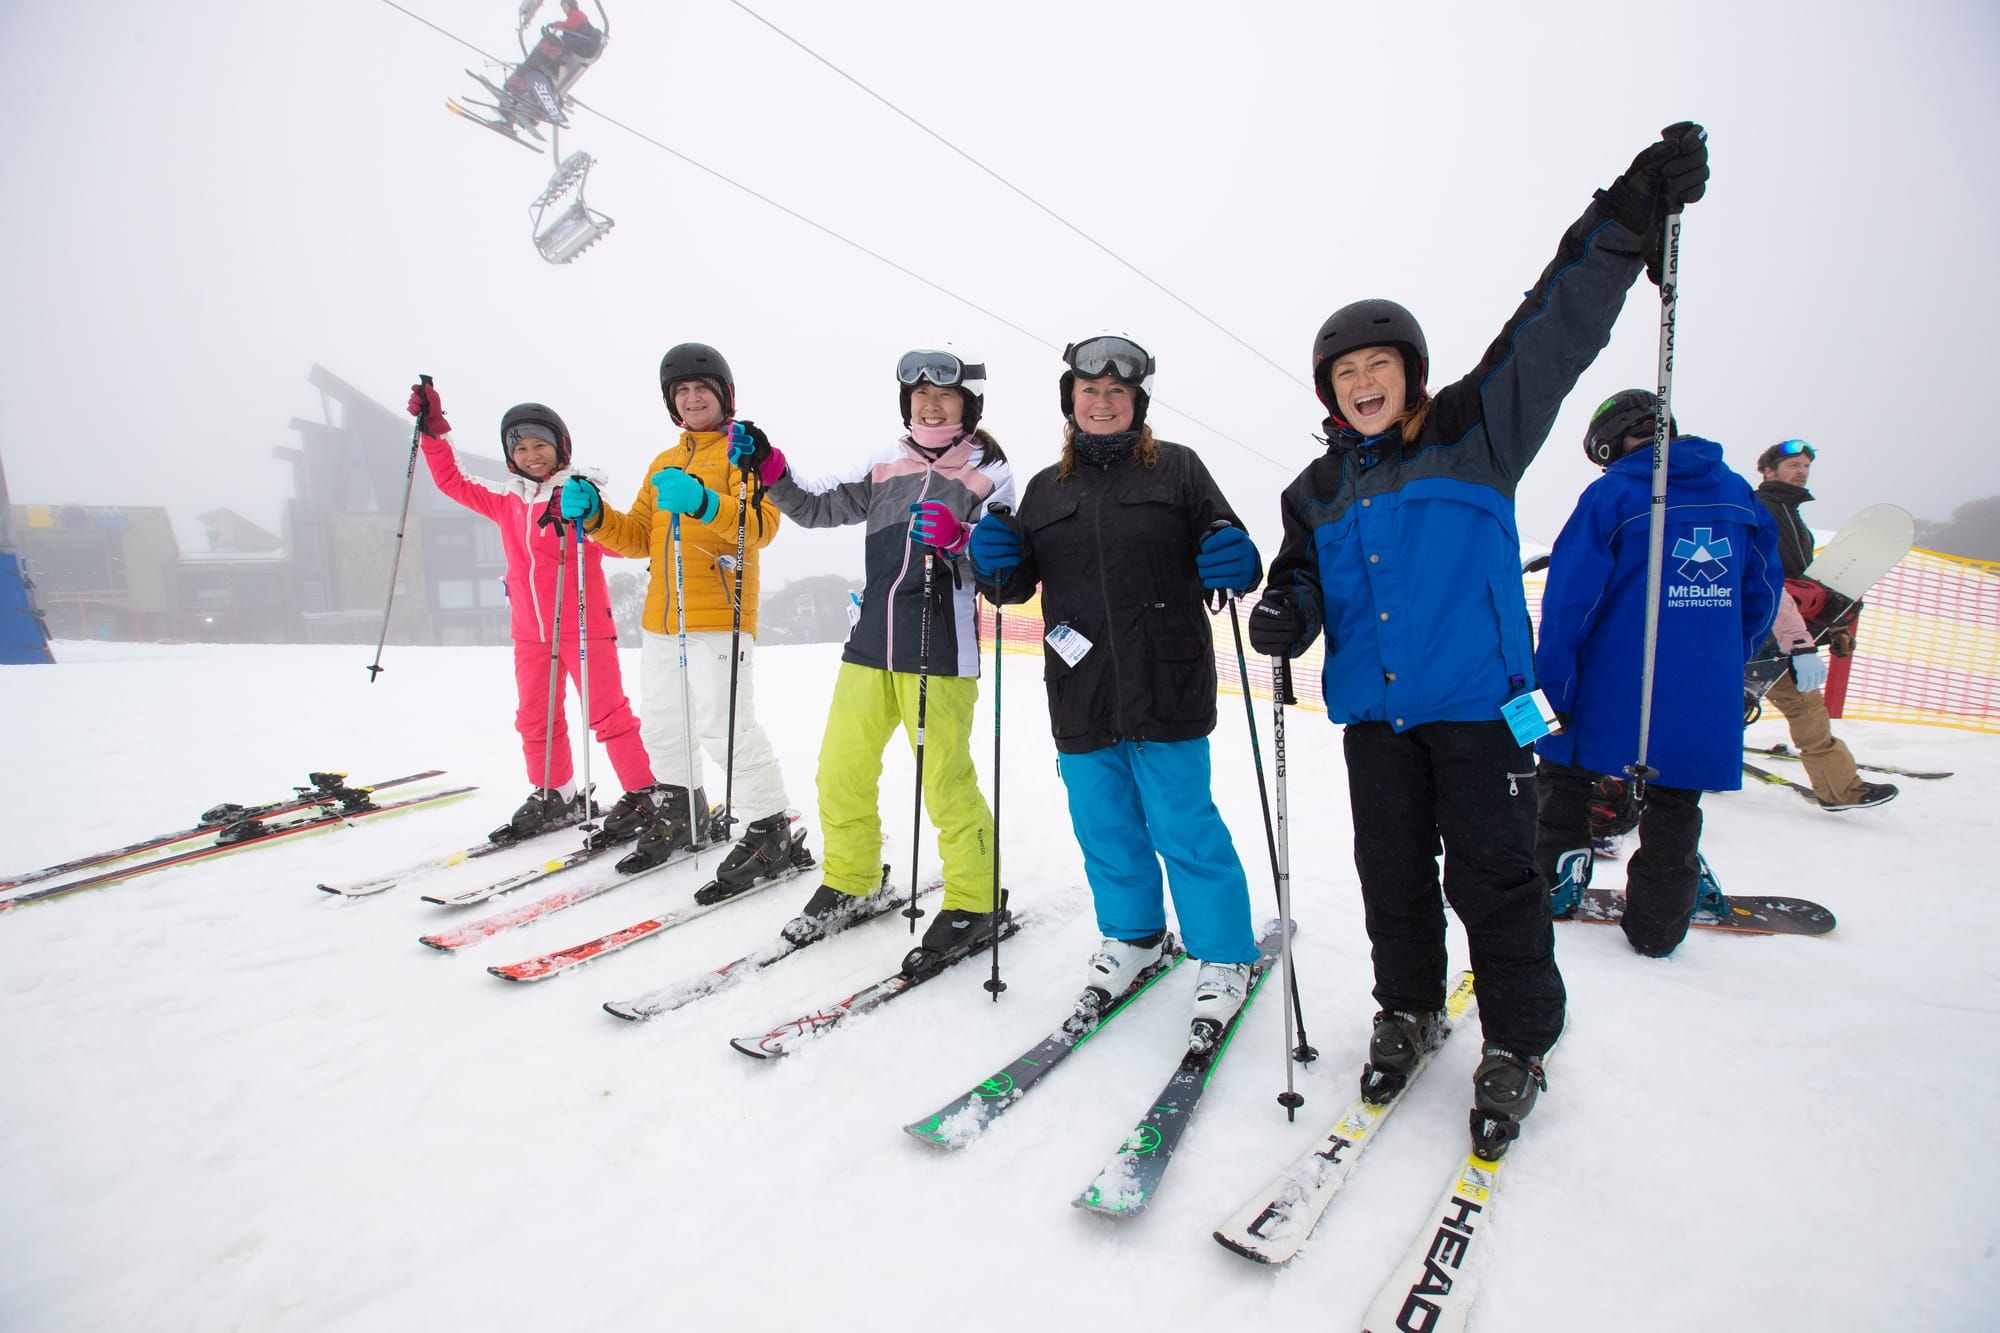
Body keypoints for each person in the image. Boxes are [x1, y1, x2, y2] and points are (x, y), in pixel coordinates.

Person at [1247, 122, 1711, 1158]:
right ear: (1326, 391)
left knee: (1494, 881)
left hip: (1478, 709)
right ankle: (1406, 1007)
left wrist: (1623, 219)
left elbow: (1552, 327)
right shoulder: (1313, 490)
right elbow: (1298, 584)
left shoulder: (1475, 431)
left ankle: (1517, 1041)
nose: (1362, 380)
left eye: (1379, 364)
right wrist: (1285, 614)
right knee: (1391, 875)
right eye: (1343, 371)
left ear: (1409, 373)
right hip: (1373, 716)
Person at [969, 333, 1267, 1049]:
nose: (1102, 402)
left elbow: (1232, 550)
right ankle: (1132, 936)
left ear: (1137, 403)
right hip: (1080, 687)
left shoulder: (1179, 470)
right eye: (1089, 390)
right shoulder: (1045, 489)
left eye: (1117, 392)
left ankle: (1223, 953)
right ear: (1071, 402)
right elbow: (1013, 587)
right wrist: (992, 562)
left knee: (1182, 824)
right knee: (1104, 825)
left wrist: (1238, 553)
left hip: (1167, 680)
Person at [730, 348, 1014, 972]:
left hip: (938, 647)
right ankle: (854, 879)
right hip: (871, 643)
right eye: (918, 395)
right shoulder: (884, 462)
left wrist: (961, 539)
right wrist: (769, 465)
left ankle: (975, 897)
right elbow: (814, 506)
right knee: (840, 768)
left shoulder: (991, 471)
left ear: (968, 404)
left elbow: (1006, 564)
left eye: (943, 395)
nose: (930, 404)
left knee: (944, 780)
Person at [1532, 390, 1781, 956]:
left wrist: (1557, 686)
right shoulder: (1739, 494)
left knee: (1565, 776)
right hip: (1701, 689)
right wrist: (1722, 658)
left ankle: (1556, 888)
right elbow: (1761, 594)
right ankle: (1658, 928)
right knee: (1675, 805)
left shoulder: (1613, 494)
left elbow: (1572, 602)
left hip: (1611, 682)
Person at [561, 343, 810, 884]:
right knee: (664, 726)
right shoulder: (663, 463)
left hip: (721, 615)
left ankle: (771, 826)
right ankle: (683, 809)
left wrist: (702, 502)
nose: (694, 398)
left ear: (725, 396)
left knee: (725, 727)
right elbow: (636, 538)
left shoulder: (745, 454)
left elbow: (760, 528)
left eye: (703, 389)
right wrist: (598, 514)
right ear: (672, 403)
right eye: (683, 392)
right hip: (662, 622)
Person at [405, 384, 658, 843]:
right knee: (535, 719)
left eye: (540, 445)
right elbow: (452, 482)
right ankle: (556, 792)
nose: (532, 455)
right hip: (530, 633)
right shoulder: (507, 500)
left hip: (585, 629)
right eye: (520, 448)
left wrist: (593, 517)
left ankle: (644, 792)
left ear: (560, 447)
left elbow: (623, 541)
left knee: (607, 715)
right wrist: (434, 432)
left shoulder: (580, 496)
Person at [1752, 440, 1898, 811]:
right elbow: (1769, 578)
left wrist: (1834, 625)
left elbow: (1809, 582)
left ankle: (1696, 766)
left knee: (1740, 702)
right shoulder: (1765, 510)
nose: (1800, 471)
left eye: (1804, 466)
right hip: (1769, 631)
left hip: (1781, 629)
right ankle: (1839, 789)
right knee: (1804, 707)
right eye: (1791, 465)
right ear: (1768, 471)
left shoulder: (1790, 514)